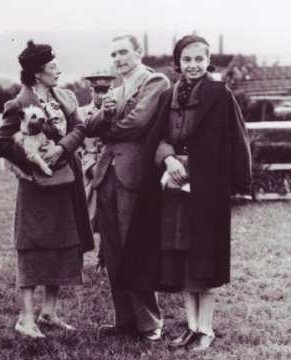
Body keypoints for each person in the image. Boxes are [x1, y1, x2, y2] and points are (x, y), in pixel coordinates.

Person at [120, 35, 252, 351]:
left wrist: (232, 181)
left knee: (203, 262)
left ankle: (205, 329)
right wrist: (167, 158)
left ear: (208, 61)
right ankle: (191, 329)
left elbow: (237, 139)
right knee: (182, 260)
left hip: (206, 192)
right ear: (178, 62)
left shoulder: (220, 94)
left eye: (199, 59)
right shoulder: (169, 95)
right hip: (173, 192)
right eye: (187, 59)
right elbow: (158, 135)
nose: (192, 65)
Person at [0, 40, 94, 338]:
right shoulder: (18, 104)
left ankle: (49, 312)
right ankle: (25, 318)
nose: (58, 70)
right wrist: (33, 159)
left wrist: (61, 148)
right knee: (33, 247)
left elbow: (80, 128)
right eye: (53, 67)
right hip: (37, 186)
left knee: (63, 244)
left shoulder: (65, 96)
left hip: (66, 180)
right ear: (37, 73)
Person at [85, 34, 170, 340]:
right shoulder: (117, 89)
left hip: (134, 175)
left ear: (139, 52)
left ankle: (149, 323)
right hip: (107, 174)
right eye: (114, 54)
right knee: (113, 251)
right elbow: (89, 126)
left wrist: (108, 129)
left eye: (123, 52)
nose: (118, 59)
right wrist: (106, 115)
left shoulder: (154, 81)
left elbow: (138, 122)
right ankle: (125, 321)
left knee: (136, 248)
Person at [79, 73, 117, 269]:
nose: (102, 95)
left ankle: (104, 259)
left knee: (110, 217)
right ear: (91, 91)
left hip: (111, 169)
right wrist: (91, 167)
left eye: (106, 90)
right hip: (90, 171)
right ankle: (76, 260)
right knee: (84, 216)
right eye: (98, 91)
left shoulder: (117, 111)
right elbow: (82, 147)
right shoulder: (82, 113)